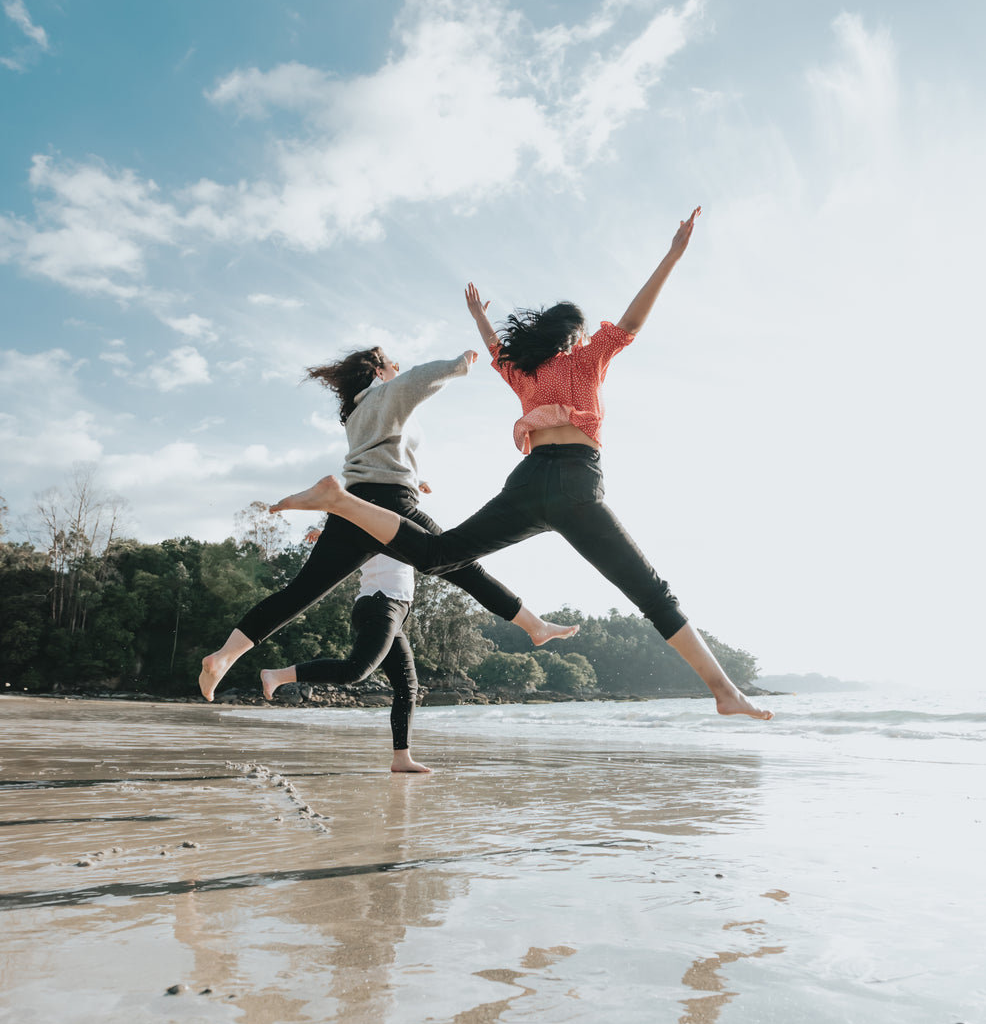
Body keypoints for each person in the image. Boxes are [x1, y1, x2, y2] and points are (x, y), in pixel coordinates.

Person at [267, 210, 773, 721]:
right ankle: (724, 691)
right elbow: (632, 321)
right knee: (651, 594)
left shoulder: (524, 372)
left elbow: (495, 349)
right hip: (577, 485)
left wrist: (480, 318)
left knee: (439, 555)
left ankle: (341, 501)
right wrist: (671, 257)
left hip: (529, 486)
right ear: (574, 336)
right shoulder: (586, 358)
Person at [199, 346, 576, 701]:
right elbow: (416, 379)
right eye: (391, 363)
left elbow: (382, 453)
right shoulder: (386, 393)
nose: (396, 367)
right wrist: (459, 364)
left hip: (356, 505)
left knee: (299, 594)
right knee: (462, 565)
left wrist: (416, 476)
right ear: (379, 371)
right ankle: (534, 626)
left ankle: (224, 657)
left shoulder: (358, 412)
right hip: (393, 505)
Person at [262, 531, 431, 774]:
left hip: (393, 612)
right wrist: (326, 535)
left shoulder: (402, 527)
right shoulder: (381, 524)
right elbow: (354, 522)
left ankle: (401, 758)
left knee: (406, 688)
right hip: (381, 604)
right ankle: (277, 676)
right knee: (355, 670)